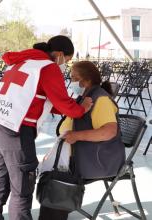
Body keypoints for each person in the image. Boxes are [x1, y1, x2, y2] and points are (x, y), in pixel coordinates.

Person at [0, 35, 93, 220]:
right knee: (22, 189)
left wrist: (72, 105)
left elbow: (44, 100)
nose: (65, 65)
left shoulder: (21, 63)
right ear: (58, 54)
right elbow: (63, 103)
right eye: (66, 60)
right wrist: (81, 109)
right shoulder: (48, 67)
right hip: (15, 130)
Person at [38, 60, 126, 220]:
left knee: (56, 180)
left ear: (86, 80)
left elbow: (109, 131)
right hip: (80, 155)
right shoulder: (84, 97)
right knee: (48, 175)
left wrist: (76, 136)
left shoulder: (101, 100)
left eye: (73, 78)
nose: (70, 82)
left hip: (99, 160)